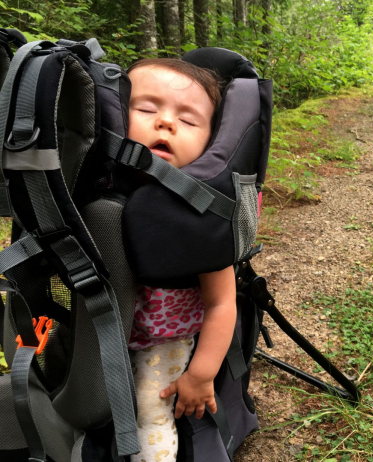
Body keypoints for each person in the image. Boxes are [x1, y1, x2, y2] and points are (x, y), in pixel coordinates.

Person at [125, 58, 236, 462]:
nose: (166, 123)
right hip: (99, 332)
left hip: (163, 341)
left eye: (188, 121)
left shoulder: (200, 219)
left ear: (210, 142)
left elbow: (222, 303)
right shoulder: (94, 192)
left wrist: (201, 374)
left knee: (150, 412)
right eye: (146, 110)